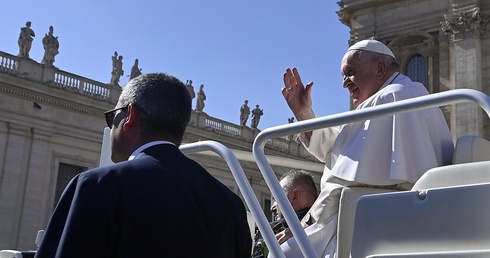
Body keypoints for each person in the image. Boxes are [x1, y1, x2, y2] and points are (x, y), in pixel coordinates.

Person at [35, 73, 252, 258]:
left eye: (112, 119)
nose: (111, 128)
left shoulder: (97, 186)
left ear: (130, 116)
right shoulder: (231, 206)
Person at [278, 39, 454, 257]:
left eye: (350, 72)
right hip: (404, 216)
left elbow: (339, 183)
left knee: (283, 252)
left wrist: (305, 224)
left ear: (380, 68)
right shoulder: (403, 93)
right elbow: (339, 148)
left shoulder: (390, 97)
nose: (344, 83)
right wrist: (304, 114)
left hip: (382, 223)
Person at [253, 170, 318, 258]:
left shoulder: (272, 231)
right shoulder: (329, 228)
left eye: (276, 198)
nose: (272, 208)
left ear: (294, 196)